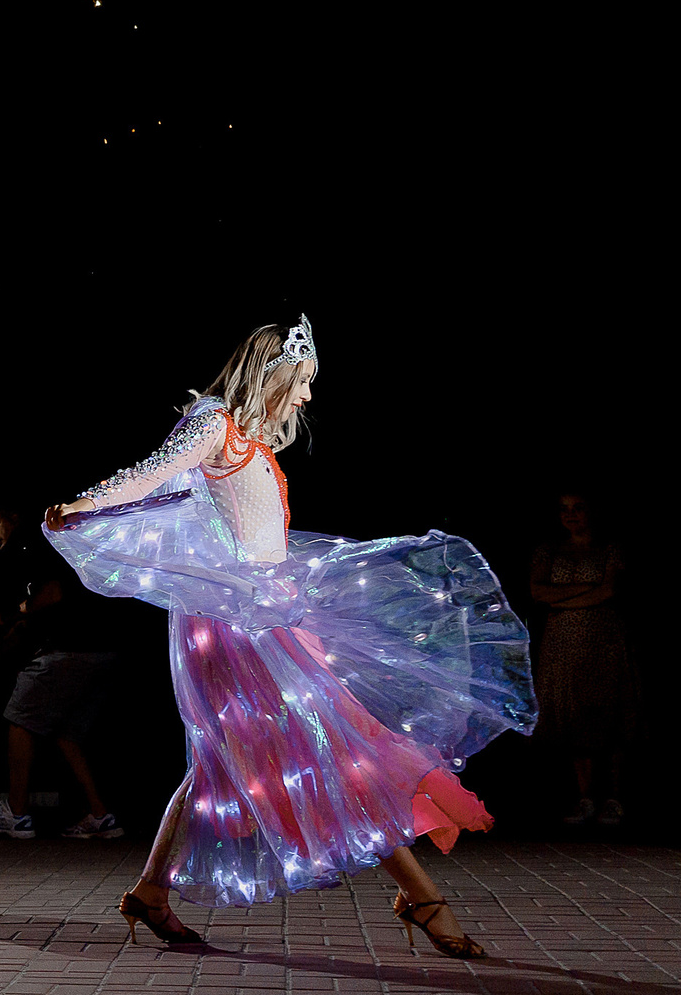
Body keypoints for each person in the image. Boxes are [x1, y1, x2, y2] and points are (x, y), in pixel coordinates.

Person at [44, 316, 533, 958]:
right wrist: (83, 505)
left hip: (267, 612)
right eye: (301, 382)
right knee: (326, 745)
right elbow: (151, 474)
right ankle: (420, 896)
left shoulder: (250, 438)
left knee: (239, 756)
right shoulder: (214, 423)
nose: (306, 396)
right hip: (232, 624)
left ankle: (151, 892)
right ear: (270, 374)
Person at [0, 505, 123, 839]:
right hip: (101, 653)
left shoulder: (34, 544)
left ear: (13, 518)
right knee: (66, 734)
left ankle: (16, 814)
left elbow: (53, 594)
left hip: (71, 650)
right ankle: (100, 816)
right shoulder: (21, 559)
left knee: (19, 719)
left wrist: (5, 617)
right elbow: (28, 621)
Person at [532, 492, 636, 826]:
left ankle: (614, 798)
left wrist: (561, 598)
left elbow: (610, 590)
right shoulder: (549, 550)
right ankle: (585, 797)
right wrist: (588, 591)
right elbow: (538, 591)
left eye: (578, 508)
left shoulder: (609, 549)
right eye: (564, 509)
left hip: (602, 640)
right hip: (563, 643)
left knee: (608, 713)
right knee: (573, 717)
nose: (571, 515)